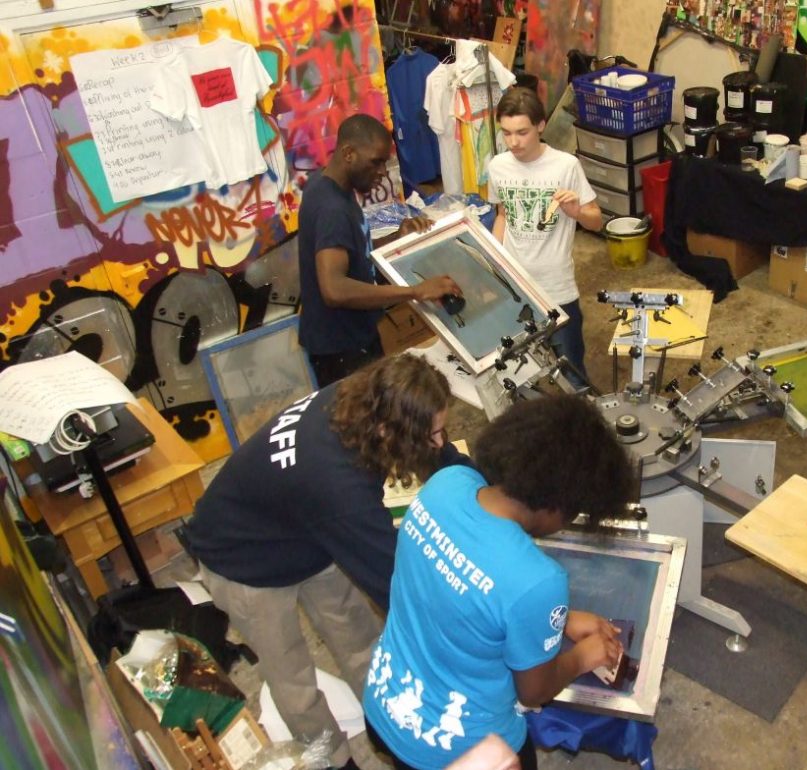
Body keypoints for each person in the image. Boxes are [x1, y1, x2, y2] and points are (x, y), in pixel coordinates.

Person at [186, 356, 469, 770]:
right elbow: (400, 590)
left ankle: (393, 723)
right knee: (294, 680)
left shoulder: (361, 397)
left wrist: (470, 476)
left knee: (362, 640)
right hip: (241, 561)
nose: (440, 442)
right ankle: (335, 761)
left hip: (303, 528)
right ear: (391, 433)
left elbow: (428, 450)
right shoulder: (343, 494)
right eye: (433, 434)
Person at [362, 395, 637, 770]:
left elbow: (462, 591)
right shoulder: (540, 580)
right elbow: (535, 690)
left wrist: (562, 619)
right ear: (557, 505)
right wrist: (583, 656)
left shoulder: (446, 484)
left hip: (383, 704)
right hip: (456, 750)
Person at [298, 113, 462, 386]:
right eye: (377, 161)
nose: (383, 172)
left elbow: (352, 253)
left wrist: (397, 239)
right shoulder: (332, 208)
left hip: (346, 341)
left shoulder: (325, 186)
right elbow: (334, 288)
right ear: (348, 153)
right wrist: (416, 291)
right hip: (342, 351)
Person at [487, 88, 602, 384]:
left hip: (556, 287)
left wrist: (576, 212)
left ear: (540, 125)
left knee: (571, 370)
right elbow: (503, 214)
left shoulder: (566, 166)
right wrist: (494, 263)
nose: (513, 142)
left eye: (522, 132)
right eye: (507, 133)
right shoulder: (498, 166)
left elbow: (597, 222)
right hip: (515, 286)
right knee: (517, 370)